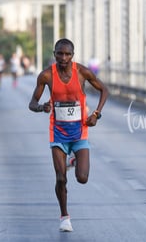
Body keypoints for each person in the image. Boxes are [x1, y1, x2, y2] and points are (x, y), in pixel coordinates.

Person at [28, 38, 108, 232]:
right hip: (58, 133)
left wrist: (96, 114)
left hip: (80, 131)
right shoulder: (46, 76)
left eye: (67, 54)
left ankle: (72, 162)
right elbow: (32, 103)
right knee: (60, 178)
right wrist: (41, 107)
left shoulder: (81, 72)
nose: (63, 58)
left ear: (73, 55)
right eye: (59, 54)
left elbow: (104, 90)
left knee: (82, 178)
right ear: (54, 54)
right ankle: (65, 216)